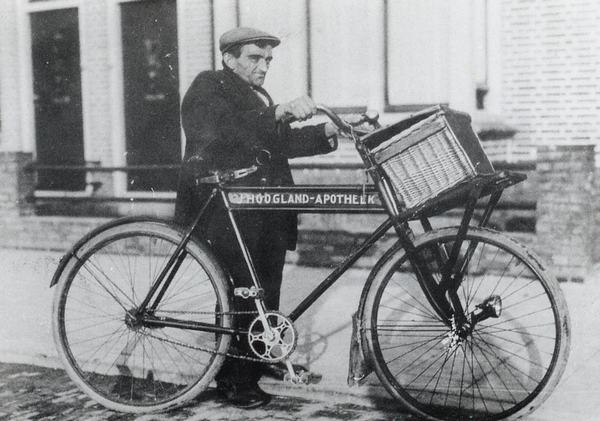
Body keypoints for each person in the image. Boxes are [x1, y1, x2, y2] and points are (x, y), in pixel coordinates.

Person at [174, 27, 338, 409]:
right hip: (224, 210)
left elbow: (276, 141)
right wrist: (279, 112)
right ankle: (233, 381)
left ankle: (259, 356)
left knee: (267, 289)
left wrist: (329, 131)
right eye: (255, 58)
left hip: (263, 208)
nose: (264, 67)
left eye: (268, 60)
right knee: (242, 292)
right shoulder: (209, 86)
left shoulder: (256, 96)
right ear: (229, 58)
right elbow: (221, 130)